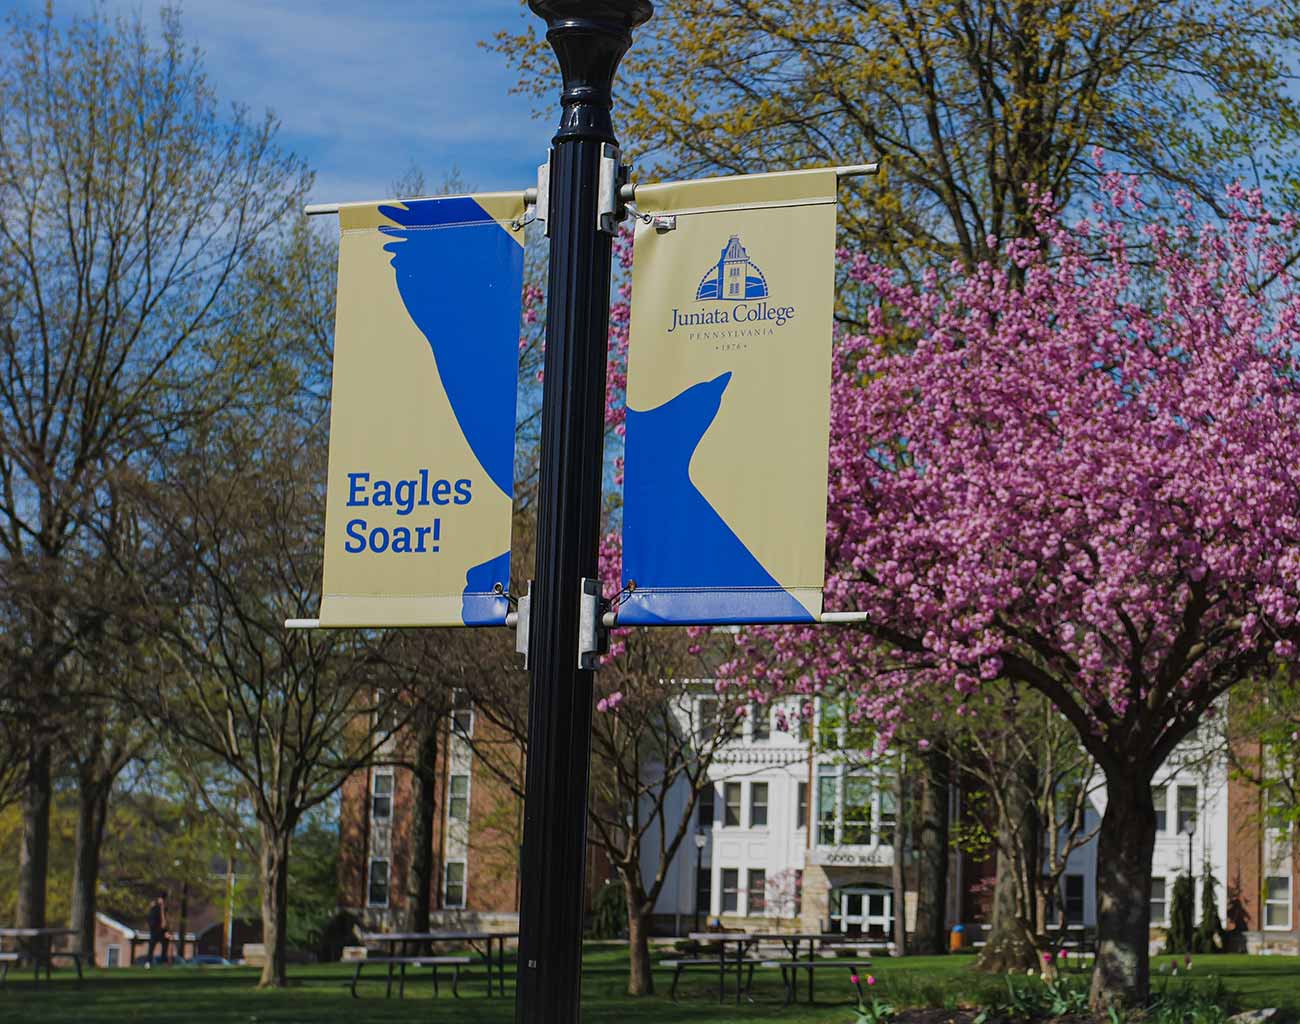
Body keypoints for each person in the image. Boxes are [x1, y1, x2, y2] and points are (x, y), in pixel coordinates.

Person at [145, 892, 169, 967]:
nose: (162, 901)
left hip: (163, 930)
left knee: (165, 944)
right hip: (155, 930)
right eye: (161, 899)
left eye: (163, 899)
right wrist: (153, 927)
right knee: (151, 946)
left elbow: (166, 920)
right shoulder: (154, 908)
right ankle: (148, 962)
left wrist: (167, 931)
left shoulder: (165, 909)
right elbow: (151, 919)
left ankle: (163, 961)